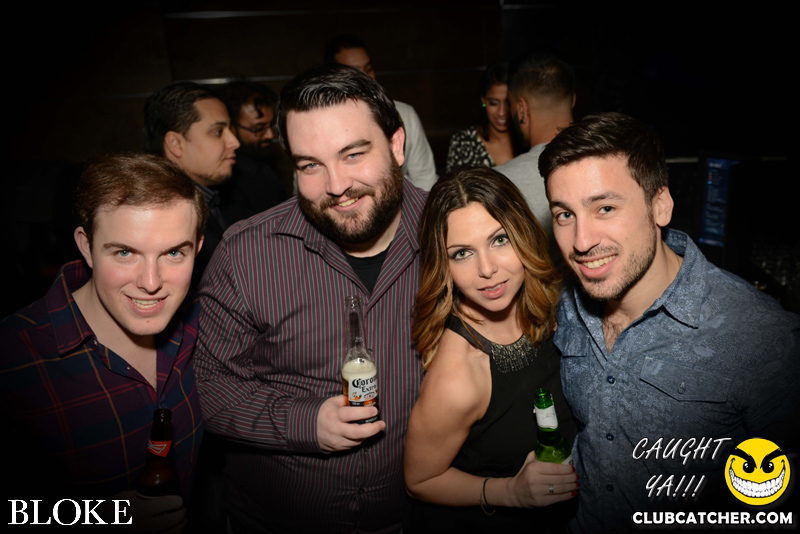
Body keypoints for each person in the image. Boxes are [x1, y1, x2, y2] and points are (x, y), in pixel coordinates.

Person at [194, 63, 427, 533]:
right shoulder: (246, 254)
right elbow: (208, 387)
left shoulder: (454, 235)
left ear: (397, 145)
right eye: (310, 165)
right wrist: (303, 423)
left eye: (353, 154)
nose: (336, 186)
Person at [539, 112, 800, 532]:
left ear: (660, 205)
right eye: (564, 215)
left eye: (605, 207)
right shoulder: (565, 305)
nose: (582, 241)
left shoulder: (760, 337)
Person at [0, 153, 206, 530]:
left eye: (174, 252)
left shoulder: (201, 323)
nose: (150, 282)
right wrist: (104, 516)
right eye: (124, 252)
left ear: (198, 246)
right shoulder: (14, 357)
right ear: (86, 245)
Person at [404, 166, 578, 533]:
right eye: (462, 253)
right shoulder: (458, 376)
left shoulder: (556, 305)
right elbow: (419, 481)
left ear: (523, 234)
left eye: (499, 240)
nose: (487, 269)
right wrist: (510, 492)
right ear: (444, 265)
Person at [143, 81, 240, 287]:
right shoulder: (159, 215)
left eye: (230, 129)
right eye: (218, 131)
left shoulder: (211, 197)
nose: (234, 141)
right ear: (176, 144)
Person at [325, 33, 438, 191]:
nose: (367, 78)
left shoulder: (404, 115)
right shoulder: (319, 124)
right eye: (355, 73)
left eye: (368, 69)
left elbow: (425, 178)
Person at [494, 52, 575, 240]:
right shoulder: (611, 162)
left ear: (521, 109)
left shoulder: (499, 184)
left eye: (509, 105)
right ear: (573, 100)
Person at [216, 79, 289, 223]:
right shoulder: (228, 179)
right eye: (258, 129)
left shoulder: (261, 165)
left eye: (271, 125)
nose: (269, 135)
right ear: (231, 126)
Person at [445, 63, 519, 173]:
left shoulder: (529, 141)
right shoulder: (463, 142)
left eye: (508, 103)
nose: (502, 112)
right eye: (493, 103)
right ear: (483, 100)